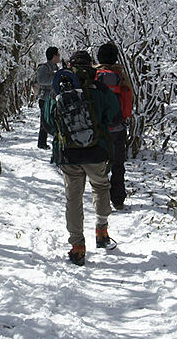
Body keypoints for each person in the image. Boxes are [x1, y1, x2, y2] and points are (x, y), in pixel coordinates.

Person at [44, 50, 120, 266]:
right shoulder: (101, 88)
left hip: (69, 156)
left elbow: (48, 122)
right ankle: (102, 232)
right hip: (97, 152)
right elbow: (115, 114)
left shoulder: (59, 88)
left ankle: (77, 246)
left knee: (73, 198)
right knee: (100, 187)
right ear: (91, 65)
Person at [95, 42, 134, 210]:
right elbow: (128, 105)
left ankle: (101, 201)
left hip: (99, 130)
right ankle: (118, 199)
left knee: (100, 166)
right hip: (118, 128)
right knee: (118, 165)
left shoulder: (94, 76)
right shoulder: (122, 77)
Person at [35, 46, 60, 149]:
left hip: (53, 98)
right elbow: (41, 80)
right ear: (53, 56)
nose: (59, 57)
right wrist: (55, 79)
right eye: (58, 55)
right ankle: (41, 143)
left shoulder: (56, 67)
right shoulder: (44, 67)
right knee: (44, 121)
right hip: (45, 98)